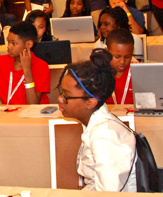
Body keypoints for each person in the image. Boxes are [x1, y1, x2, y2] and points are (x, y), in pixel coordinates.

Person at [56, 49, 136, 191]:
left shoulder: (104, 136)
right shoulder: (98, 124)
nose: (60, 99)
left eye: (66, 95)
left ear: (90, 102)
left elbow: (108, 193)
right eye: (61, 93)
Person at [0, 21, 50, 105]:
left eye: (14, 43)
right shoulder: (2, 61)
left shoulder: (41, 66)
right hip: (11, 114)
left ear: (28, 44)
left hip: (34, 115)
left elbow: (33, 105)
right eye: (8, 42)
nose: (9, 46)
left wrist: (27, 71)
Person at [105, 29, 137, 105]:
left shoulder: (138, 73)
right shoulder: (98, 73)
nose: (122, 62)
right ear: (106, 51)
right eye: (117, 57)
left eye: (128, 56)